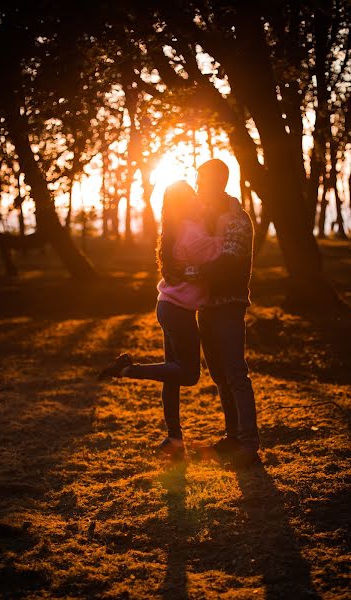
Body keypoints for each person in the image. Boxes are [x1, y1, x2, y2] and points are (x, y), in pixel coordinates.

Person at [97, 180, 223, 460]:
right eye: (193, 195)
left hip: (168, 307)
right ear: (188, 201)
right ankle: (128, 370)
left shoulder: (174, 230)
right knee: (188, 374)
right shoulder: (193, 233)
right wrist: (220, 223)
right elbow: (218, 252)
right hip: (178, 312)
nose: (198, 198)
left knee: (172, 373)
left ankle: (174, 439)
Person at [188, 159, 260, 468]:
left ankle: (248, 444)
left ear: (218, 182)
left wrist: (194, 270)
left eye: (203, 182)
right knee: (219, 374)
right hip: (207, 305)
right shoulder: (206, 217)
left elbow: (229, 261)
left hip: (229, 304)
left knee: (234, 372)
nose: (199, 187)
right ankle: (232, 436)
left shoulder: (236, 219)